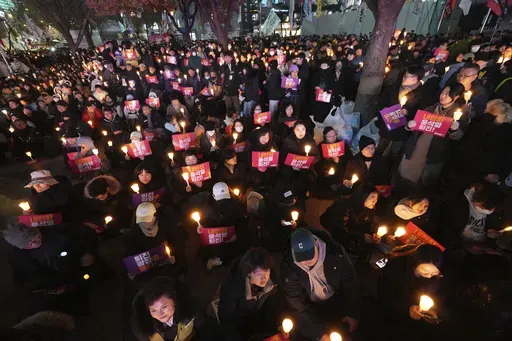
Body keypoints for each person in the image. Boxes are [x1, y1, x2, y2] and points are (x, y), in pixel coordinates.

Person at [281, 228, 362, 341]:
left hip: (337, 299)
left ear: (317, 244)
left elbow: (350, 282)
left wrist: (352, 313)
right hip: (311, 307)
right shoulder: (290, 268)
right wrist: (320, 335)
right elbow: (297, 306)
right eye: (301, 258)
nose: (305, 262)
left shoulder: (335, 253)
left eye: (309, 255)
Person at [398, 83, 466, 187]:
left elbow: (458, 136)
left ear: (456, 97)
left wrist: (454, 130)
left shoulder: (458, 115)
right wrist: (409, 126)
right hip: (416, 148)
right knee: (406, 176)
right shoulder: (430, 108)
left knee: (424, 182)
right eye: (442, 92)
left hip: (434, 153)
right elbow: (415, 127)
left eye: (447, 94)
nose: (443, 96)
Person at [378, 245, 447, 340]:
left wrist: (434, 311)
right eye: (425, 271)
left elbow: (440, 297)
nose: (429, 276)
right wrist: (408, 308)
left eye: (434, 273)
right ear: (414, 263)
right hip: (391, 316)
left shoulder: (438, 278)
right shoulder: (395, 267)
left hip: (416, 322)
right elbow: (384, 294)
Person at [218, 247, 280, 341]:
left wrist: (264, 293)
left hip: (257, 321)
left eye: (266, 271)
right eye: (258, 274)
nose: (264, 278)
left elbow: (271, 307)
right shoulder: (232, 286)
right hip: (237, 323)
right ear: (249, 273)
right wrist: (248, 301)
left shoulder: (270, 280)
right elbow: (227, 319)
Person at [131, 277, 198, 341]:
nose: (159, 314)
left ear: (174, 301)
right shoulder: (145, 328)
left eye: (164, 307)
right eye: (153, 310)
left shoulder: (191, 313)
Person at [320, 184, 380, 255]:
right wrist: (361, 236)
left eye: (376, 198)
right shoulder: (344, 205)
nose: (375, 201)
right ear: (363, 196)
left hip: (352, 234)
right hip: (337, 234)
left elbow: (372, 222)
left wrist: (374, 233)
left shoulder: (369, 208)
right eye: (372, 197)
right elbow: (341, 229)